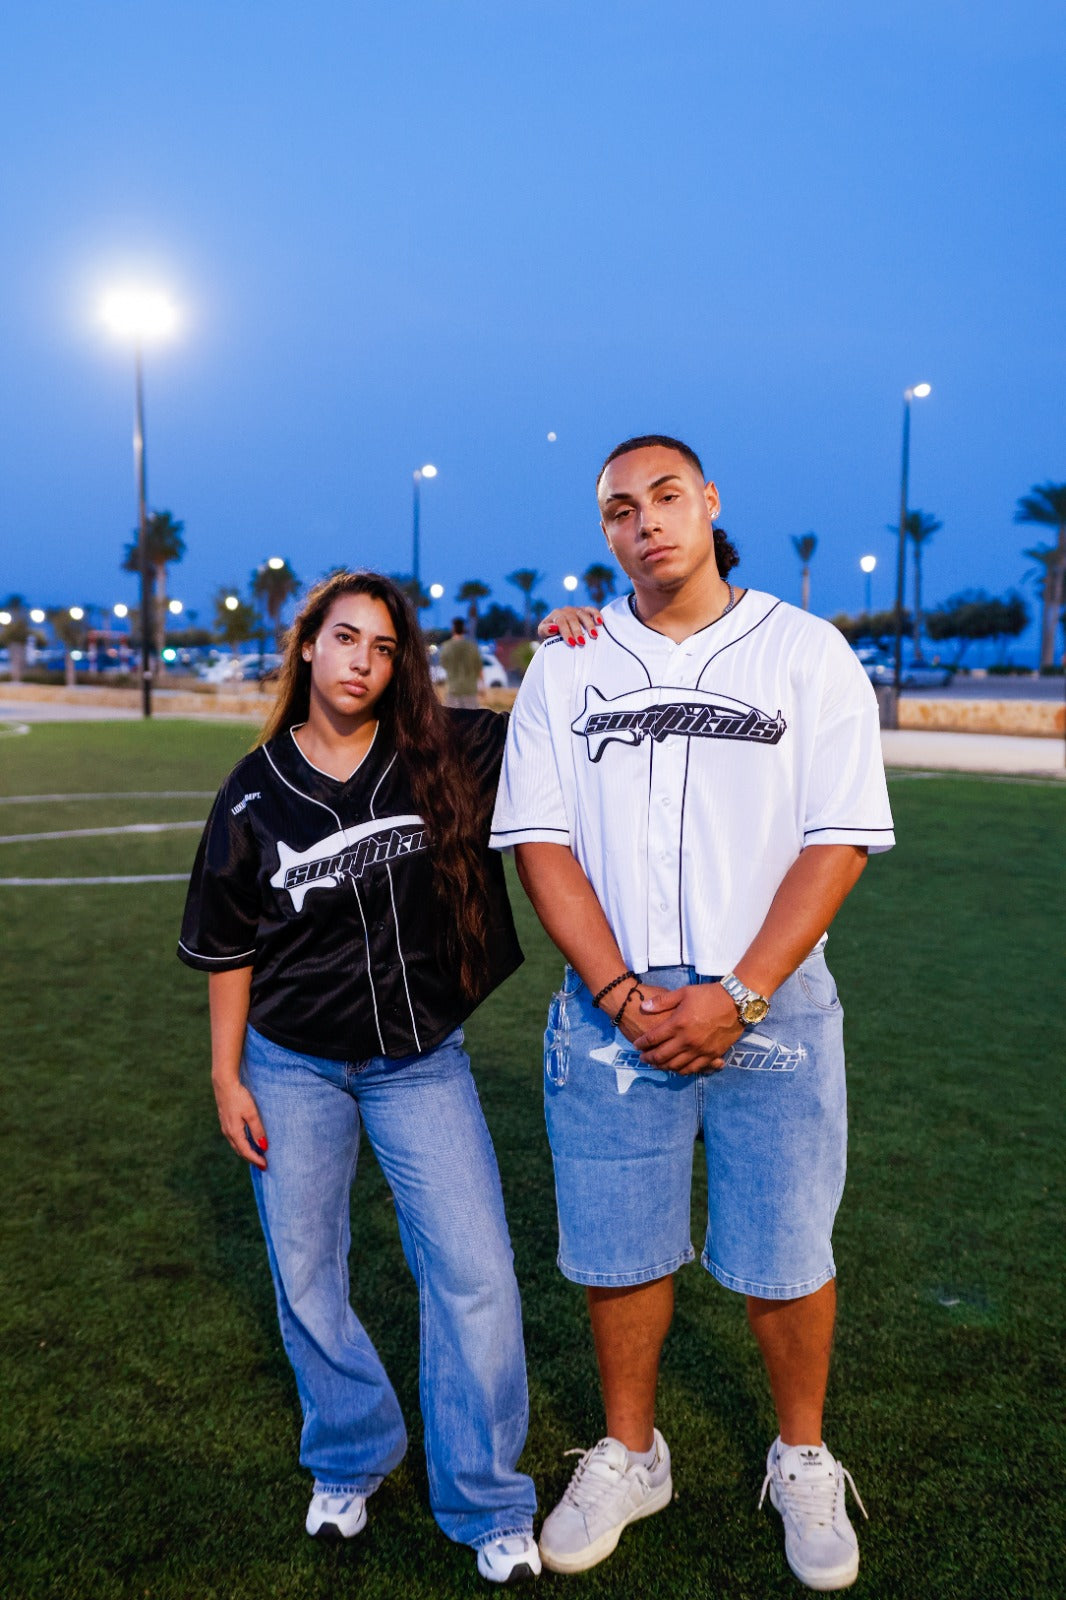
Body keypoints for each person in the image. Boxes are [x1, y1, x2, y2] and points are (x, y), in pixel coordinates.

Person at [490, 435, 894, 1591]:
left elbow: (838, 838)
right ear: (604, 532)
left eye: (665, 497)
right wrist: (620, 991)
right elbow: (542, 845)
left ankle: (802, 1453)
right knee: (619, 1247)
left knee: (786, 1246)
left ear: (710, 504)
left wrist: (740, 994)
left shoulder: (805, 652)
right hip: (613, 1007)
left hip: (770, 1001)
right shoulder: (569, 664)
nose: (644, 522)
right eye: (619, 509)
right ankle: (631, 1452)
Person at [177, 570, 541, 1584]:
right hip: (289, 1066)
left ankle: (484, 1496)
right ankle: (348, 1453)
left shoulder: (440, 754)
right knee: (306, 1275)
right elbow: (225, 944)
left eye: (383, 648)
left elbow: (552, 719)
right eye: (345, 639)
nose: (362, 662)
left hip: (420, 1063)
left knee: (474, 1272)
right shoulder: (253, 790)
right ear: (307, 647)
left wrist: (569, 642)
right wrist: (226, 1074)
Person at [439, 615, 484, 708]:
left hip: (453, 689)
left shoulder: (446, 647)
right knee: (473, 721)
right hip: (470, 690)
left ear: (453, 629)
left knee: (452, 720)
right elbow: (479, 668)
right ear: (464, 629)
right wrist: (482, 686)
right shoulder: (472, 646)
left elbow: (444, 665)